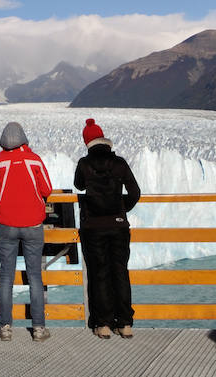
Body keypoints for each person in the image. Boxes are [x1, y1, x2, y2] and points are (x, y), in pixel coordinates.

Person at [0, 120, 53, 342]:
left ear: (3, 141)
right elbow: (47, 189)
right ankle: (39, 329)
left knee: (6, 276)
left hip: (6, 226)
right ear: (24, 139)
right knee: (35, 276)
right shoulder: (35, 161)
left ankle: (5, 327)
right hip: (33, 225)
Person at [73, 117, 141, 339]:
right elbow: (134, 192)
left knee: (99, 273)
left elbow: (79, 185)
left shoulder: (84, 164)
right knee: (120, 272)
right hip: (119, 226)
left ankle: (102, 324)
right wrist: (121, 209)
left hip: (93, 227)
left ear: (87, 143)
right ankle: (124, 323)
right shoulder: (119, 163)